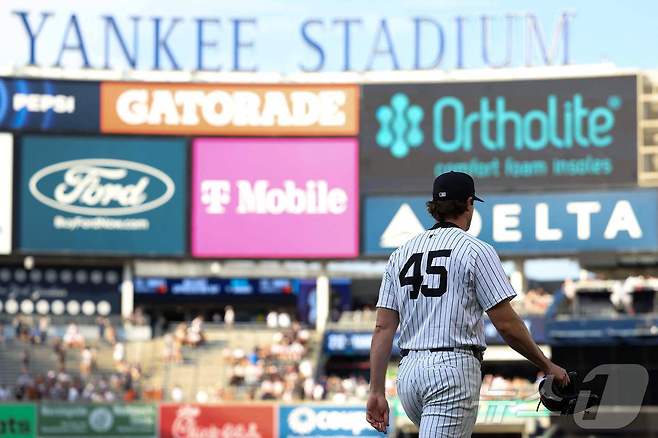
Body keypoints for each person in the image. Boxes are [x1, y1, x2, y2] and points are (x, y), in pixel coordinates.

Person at [366, 171, 570, 437]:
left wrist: (376, 390)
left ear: (435, 207)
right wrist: (546, 364)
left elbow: (383, 327)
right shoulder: (475, 250)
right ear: (469, 203)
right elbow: (507, 325)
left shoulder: (400, 254)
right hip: (452, 370)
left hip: (409, 376)